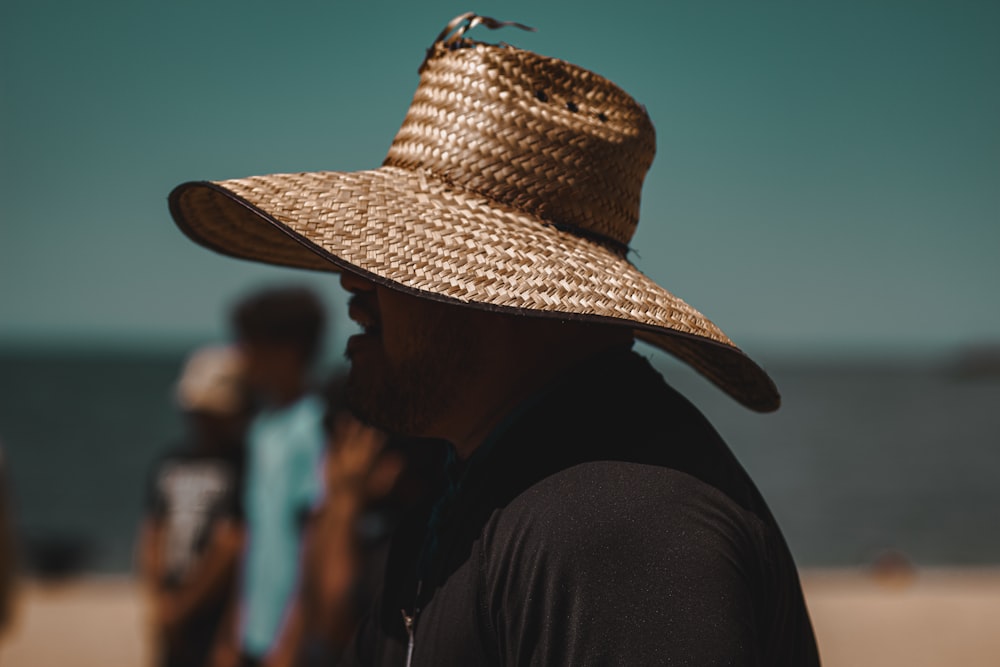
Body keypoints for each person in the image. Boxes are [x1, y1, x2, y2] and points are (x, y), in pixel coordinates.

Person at [168, 12, 821, 666]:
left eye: (397, 258)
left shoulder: (610, 528)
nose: (352, 283)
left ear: (510, 292)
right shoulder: (494, 488)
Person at [217, 286, 329, 667]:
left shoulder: (312, 426)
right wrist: (231, 632)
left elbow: (313, 538)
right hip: (254, 631)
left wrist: (292, 641)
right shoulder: (262, 427)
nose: (241, 355)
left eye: (249, 343)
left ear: (288, 350)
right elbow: (253, 536)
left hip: (290, 641)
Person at [139, 345, 249, 667]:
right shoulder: (170, 462)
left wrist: (182, 606)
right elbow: (154, 531)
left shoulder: (241, 463)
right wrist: (161, 601)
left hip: (216, 614)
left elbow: (231, 543)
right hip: (172, 604)